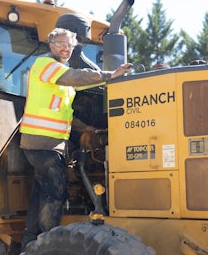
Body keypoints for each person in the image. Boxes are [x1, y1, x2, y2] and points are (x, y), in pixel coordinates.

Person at [19, 28, 132, 249]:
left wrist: (87, 128)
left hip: (52, 144)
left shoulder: (63, 77)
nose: (66, 48)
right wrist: (110, 74)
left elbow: (65, 112)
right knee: (56, 191)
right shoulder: (45, 65)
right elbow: (77, 77)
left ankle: (29, 241)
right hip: (41, 142)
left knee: (41, 192)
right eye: (61, 43)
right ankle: (47, 243)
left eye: (70, 45)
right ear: (50, 45)